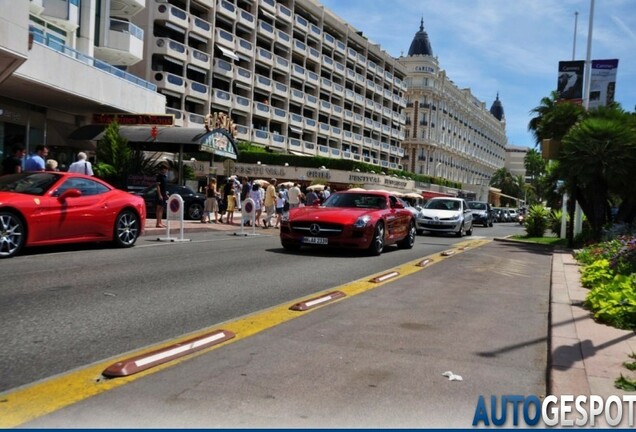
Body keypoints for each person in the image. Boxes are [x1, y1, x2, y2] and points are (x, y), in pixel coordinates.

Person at [155, 163, 169, 228]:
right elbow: (158, 186)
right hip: (160, 194)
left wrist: (166, 194)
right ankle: (158, 223)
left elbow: (164, 187)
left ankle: (160, 222)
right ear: (162, 169)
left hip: (163, 194)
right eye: (165, 169)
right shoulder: (159, 176)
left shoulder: (164, 176)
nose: (166, 170)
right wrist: (159, 194)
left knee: (162, 209)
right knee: (159, 209)